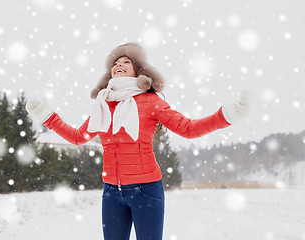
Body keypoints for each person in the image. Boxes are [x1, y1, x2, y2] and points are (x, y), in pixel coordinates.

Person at [25, 42, 253, 240]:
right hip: (112, 192)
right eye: (115, 63)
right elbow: (77, 137)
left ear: (137, 71)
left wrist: (228, 114)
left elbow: (188, 129)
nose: (118, 64)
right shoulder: (103, 105)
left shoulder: (150, 101)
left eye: (125, 61)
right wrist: (47, 115)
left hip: (147, 190)